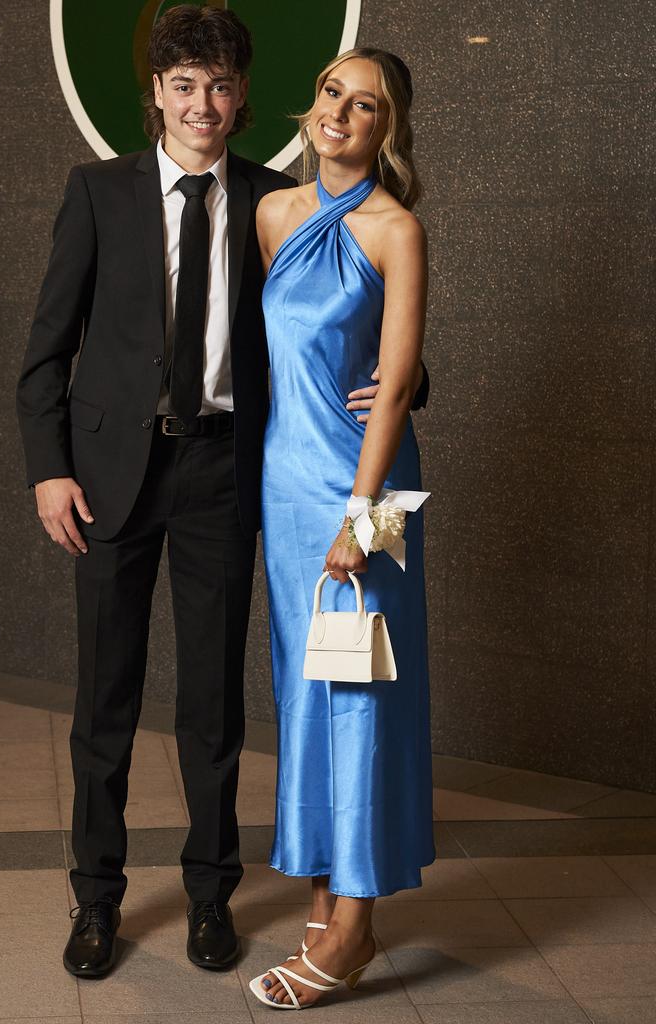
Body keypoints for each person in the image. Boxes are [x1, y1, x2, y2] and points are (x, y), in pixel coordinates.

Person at [17, 6, 428, 980]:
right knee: (104, 702)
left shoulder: (266, 201)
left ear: (243, 99)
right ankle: (99, 899)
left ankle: (213, 898)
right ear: (156, 94)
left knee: (214, 703)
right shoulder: (100, 193)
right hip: (114, 476)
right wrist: (49, 465)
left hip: (225, 476)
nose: (203, 102)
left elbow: (349, 321)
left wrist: (409, 382)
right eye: (184, 84)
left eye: (220, 85)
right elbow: (45, 350)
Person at [250, 48, 434, 1009]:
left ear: (385, 128)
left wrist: (362, 520)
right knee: (308, 692)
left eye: (365, 105)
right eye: (330, 92)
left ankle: (354, 930)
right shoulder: (273, 214)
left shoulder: (395, 228)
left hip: (365, 493)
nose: (341, 113)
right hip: (287, 490)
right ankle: (324, 903)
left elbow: (396, 382)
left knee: (362, 695)